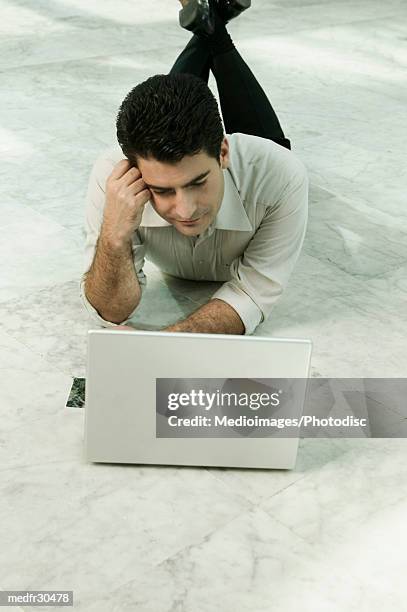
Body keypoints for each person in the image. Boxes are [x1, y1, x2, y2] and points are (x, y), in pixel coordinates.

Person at [80, 0, 309, 336]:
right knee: (169, 112)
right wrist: (114, 236)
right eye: (161, 190)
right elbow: (108, 312)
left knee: (271, 145)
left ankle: (213, 28)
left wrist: (165, 347)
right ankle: (213, 25)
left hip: (251, 160)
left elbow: (251, 297)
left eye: (198, 182)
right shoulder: (112, 175)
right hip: (205, 156)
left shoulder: (279, 176)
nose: (185, 209)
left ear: (223, 152)